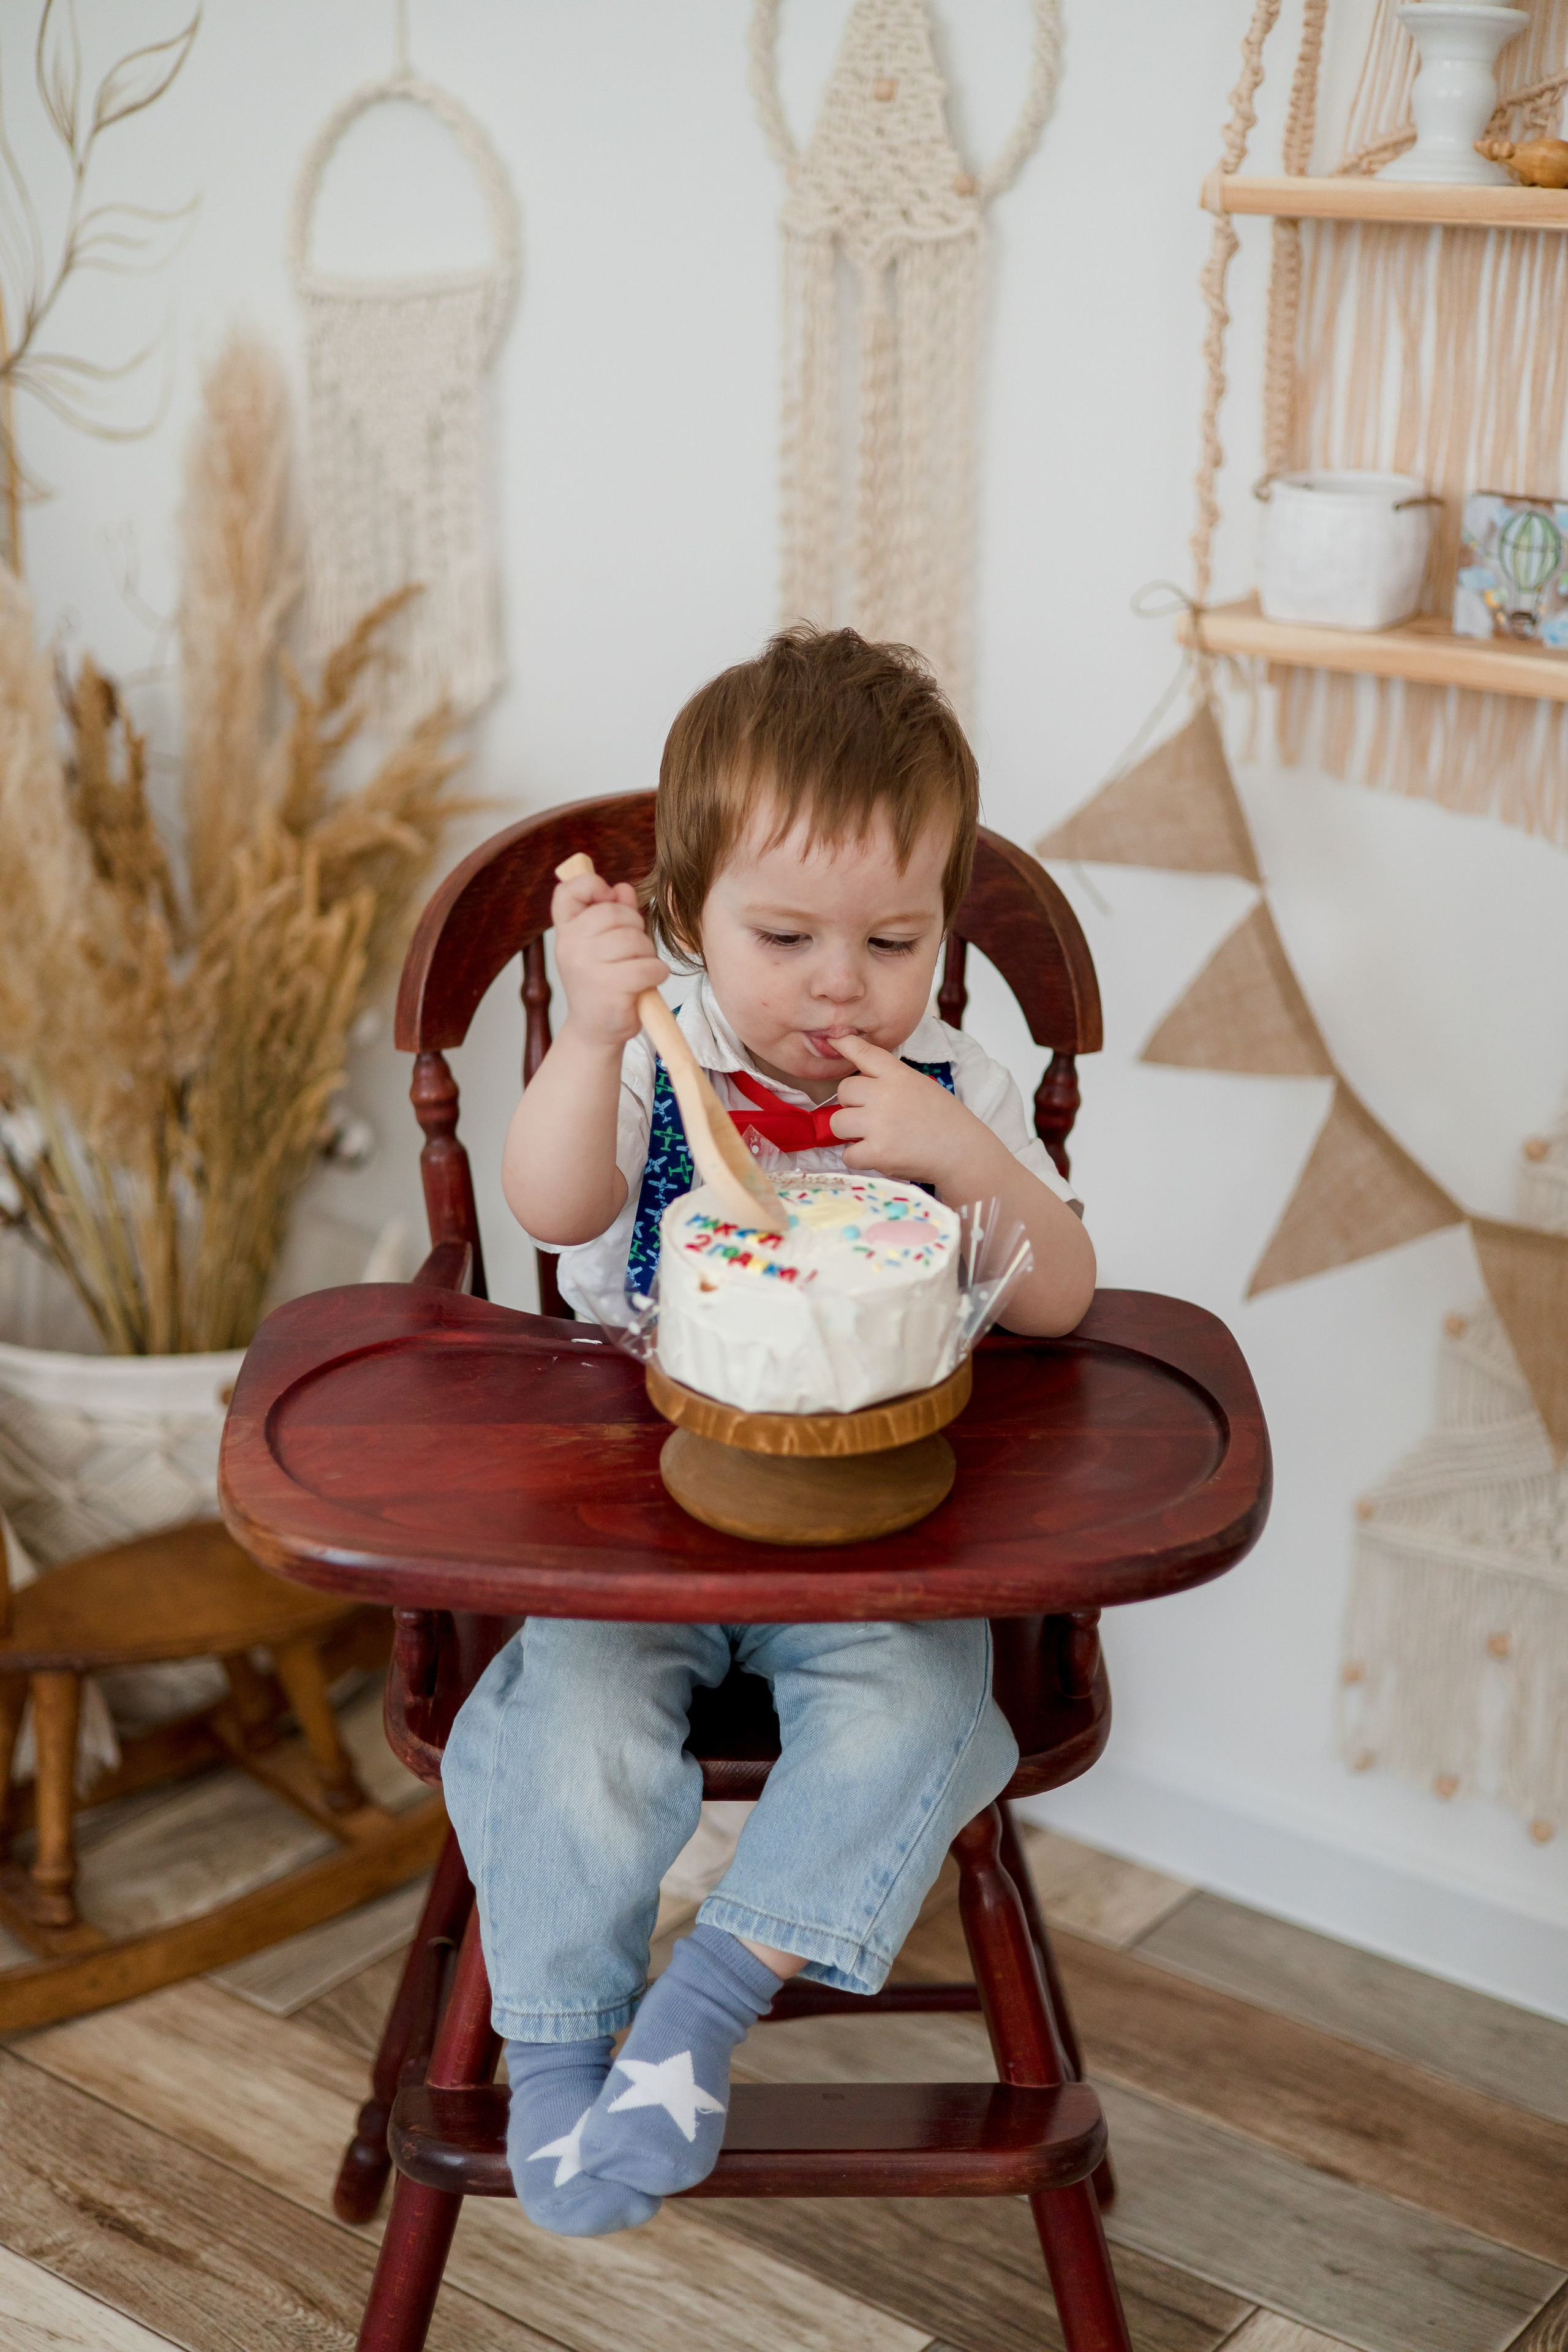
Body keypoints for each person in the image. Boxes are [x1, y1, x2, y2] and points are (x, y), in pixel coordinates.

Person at [442, 625, 1096, 2236]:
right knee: (563, 1733)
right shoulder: (670, 1060)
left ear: (941, 930)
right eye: (786, 933)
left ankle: (708, 2003)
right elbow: (551, 1203)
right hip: (639, 1517)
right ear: (684, 921)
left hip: (882, 1525)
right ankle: (555, 2050)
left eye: (892, 937)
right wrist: (594, 1035)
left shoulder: (953, 1076)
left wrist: (971, 1158)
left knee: (928, 1712)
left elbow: (1064, 1302)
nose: (838, 983)